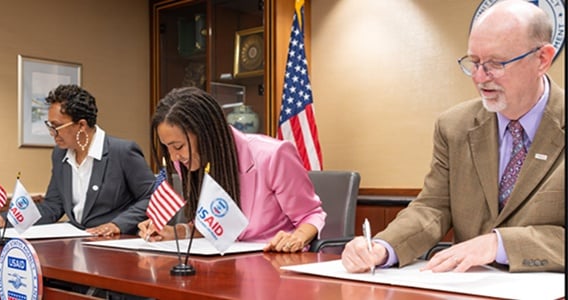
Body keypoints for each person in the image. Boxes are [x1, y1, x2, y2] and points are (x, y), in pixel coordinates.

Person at [342, 0, 564, 273]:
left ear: (542, 59)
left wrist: (500, 244)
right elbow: (434, 207)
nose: (480, 78)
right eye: (475, 62)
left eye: (495, 63)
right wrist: (382, 247)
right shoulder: (454, 126)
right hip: (468, 288)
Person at [137, 86, 326, 252]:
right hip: (221, 265)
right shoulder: (188, 162)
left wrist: (297, 237)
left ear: (205, 134)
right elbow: (216, 224)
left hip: (272, 263)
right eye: (167, 148)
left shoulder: (273, 155)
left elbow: (311, 214)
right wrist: (177, 231)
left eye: (178, 147)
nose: (173, 157)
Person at [0, 84, 155, 236]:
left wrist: (117, 224)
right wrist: (2, 219)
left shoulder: (122, 152)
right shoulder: (60, 155)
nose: (52, 134)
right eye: (50, 126)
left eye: (56, 127)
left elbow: (152, 196)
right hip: (78, 246)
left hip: (116, 246)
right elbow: (52, 207)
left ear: (81, 125)